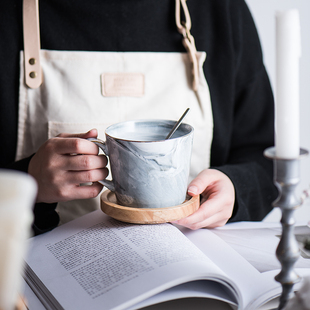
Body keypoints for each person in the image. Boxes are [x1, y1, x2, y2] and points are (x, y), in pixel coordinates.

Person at [0, 0, 277, 235]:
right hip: (39, 284)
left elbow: (265, 162)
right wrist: (29, 181)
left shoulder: (219, 9)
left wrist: (235, 188)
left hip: (192, 277)